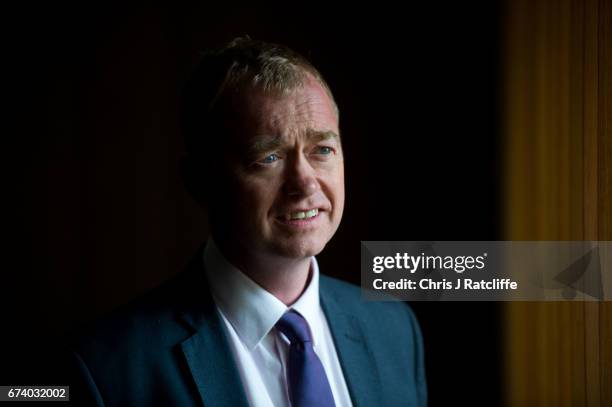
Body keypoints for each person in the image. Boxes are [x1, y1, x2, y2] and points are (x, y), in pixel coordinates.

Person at [69, 37, 427, 407]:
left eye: (322, 150)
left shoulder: (395, 330)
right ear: (199, 180)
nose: (304, 183)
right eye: (268, 157)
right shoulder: (106, 367)